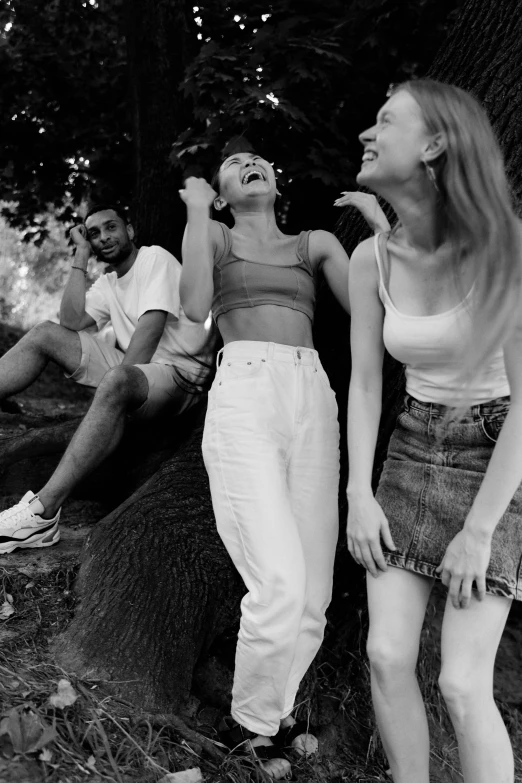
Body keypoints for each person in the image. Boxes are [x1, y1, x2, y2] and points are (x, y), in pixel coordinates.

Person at [179, 152, 390, 779]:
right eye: (234, 164)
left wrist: (381, 229)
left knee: (313, 596)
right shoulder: (213, 232)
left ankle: (265, 719)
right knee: (280, 582)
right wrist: (193, 213)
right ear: (220, 194)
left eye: (259, 160)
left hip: (311, 397)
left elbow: (376, 310)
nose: (250, 164)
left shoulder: (315, 243)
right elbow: (194, 307)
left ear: (276, 181)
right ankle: (246, 727)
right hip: (245, 393)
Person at [346, 78, 522, 783]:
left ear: (434, 144)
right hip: (410, 448)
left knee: (459, 681)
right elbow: (364, 382)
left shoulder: (503, 248)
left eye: (385, 119)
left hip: (497, 457)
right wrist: (358, 491)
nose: (367, 132)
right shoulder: (372, 259)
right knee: (387, 655)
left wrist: (479, 529)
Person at [0, 204, 213, 554]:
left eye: (110, 228)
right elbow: (70, 322)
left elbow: (151, 327)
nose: (103, 238)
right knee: (44, 334)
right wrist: (80, 257)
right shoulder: (109, 282)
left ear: (131, 230)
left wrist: (118, 389)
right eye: (94, 234)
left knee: (118, 380)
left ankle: (41, 514)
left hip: (180, 376)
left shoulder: (154, 259)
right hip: (139, 370)